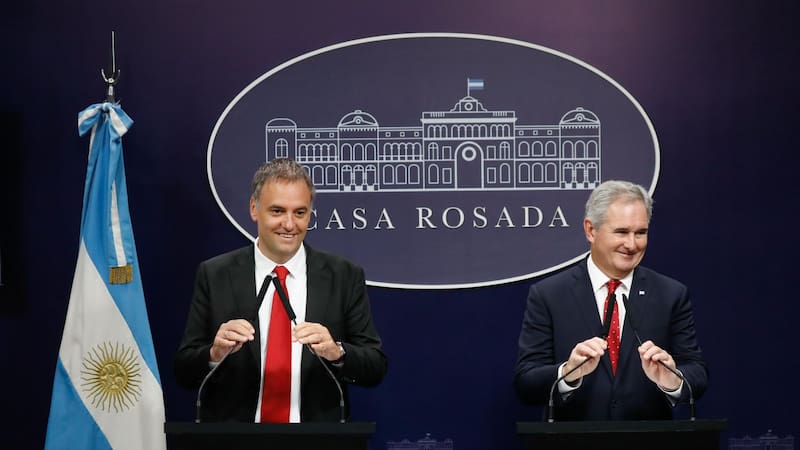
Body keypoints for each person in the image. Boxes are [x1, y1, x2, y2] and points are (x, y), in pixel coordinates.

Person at [175, 158, 387, 422]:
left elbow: (375, 367)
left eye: (300, 213)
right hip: (236, 436)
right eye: (277, 211)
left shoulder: (343, 276)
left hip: (317, 436)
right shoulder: (215, 274)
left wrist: (337, 352)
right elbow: (184, 371)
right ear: (254, 208)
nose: (289, 224)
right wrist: (214, 354)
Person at [513, 180, 707, 420]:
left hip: (649, 436)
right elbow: (526, 383)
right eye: (621, 232)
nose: (632, 244)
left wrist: (672, 379)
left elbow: (697, 373)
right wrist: (567, 373)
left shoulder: (671, 294)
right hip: (573, 437)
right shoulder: (549, 295)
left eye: (641, 233)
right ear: (590, 230)